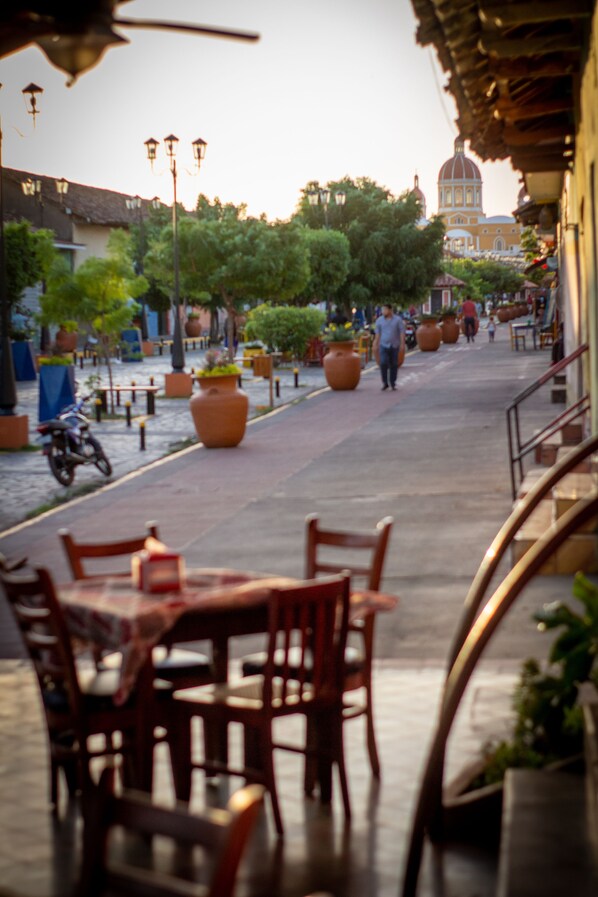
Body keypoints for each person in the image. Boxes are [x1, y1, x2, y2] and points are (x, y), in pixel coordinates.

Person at [373, 303, 405, 391]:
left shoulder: (398, 320)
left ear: (390, 310)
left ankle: (393, 382)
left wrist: (402, 344)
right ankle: (385, 383)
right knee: (383, 363)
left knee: (394, 364)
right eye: (382, 310)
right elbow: (377, 334)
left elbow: (402, 332)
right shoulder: (379, 321)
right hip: (383, 345)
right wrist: (375, 344)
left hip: (395, 345)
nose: (383, 311)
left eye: (385, 310)